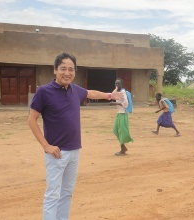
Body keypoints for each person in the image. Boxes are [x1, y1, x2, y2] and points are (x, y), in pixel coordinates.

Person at [27, 52, 121, 219]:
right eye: (63, 68)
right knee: (53, 195)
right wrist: (46, 146)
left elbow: (90, 93)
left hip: (74, 151)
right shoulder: (44, 91)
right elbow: (31, 120)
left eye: (71, 69)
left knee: (67, 193)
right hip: (56, 153)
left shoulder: (75, 90)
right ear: (55, 70)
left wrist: (109, 95)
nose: (67, 73)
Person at [109, 78, 134, 155]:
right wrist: (115, 89)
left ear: (122, 84)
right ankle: (123, 148)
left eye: (118, 84)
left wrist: (114, 104)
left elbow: (125, 103)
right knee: (116, 130)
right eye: (116, 83)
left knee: (121, 132)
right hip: (119, 113)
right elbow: (111, 96)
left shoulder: (123, 92)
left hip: (123, 113)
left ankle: (122, 149)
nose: (117, 85)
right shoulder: (118, 91)